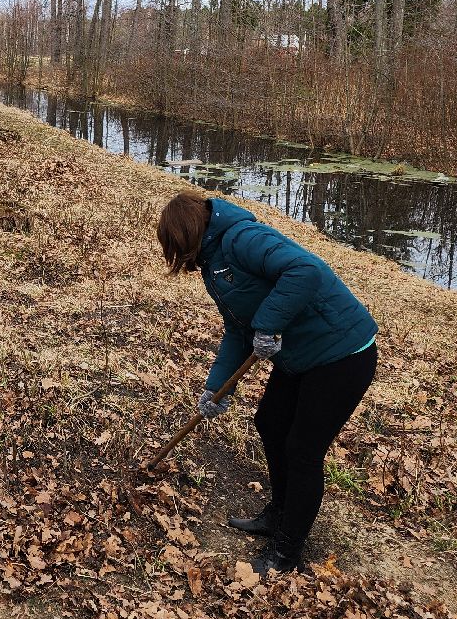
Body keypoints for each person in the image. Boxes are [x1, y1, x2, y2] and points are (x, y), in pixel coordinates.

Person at [156, 193, 379, 575]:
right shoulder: (215, 262)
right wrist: (216, 387)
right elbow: (237, 329)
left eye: (179, 249)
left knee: (302, 450)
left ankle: (288, 550)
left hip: (343, 354)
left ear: (191, 234)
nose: (183, 260)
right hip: (300, 357)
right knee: (270, 423)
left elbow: (305, 271)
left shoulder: (242, 238)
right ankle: (278, 514)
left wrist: (270, 324)